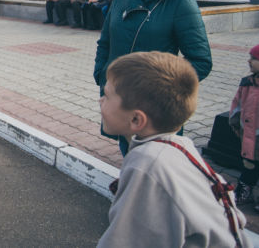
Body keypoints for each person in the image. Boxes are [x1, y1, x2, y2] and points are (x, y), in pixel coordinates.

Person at [98, 51, 249, 248]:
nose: (100, 100)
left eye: (107, 96)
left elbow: (122, 242)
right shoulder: (180, 146)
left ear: (136, 119)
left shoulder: (146, 163)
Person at [94, 0, 212, 156]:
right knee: (129, 155)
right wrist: (102, 74)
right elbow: (105, 42)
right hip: (121, 100)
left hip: (156, 111)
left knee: (159, 164)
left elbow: (201, 61)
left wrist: (162, 93)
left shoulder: (180, 2)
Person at [229, 44, 259, 207]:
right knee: (249, 164)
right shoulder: (246, 83)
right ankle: (244, 192)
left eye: (254, 59)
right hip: (248, 134)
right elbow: (237, 103)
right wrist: (234, 120)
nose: (250, 61)